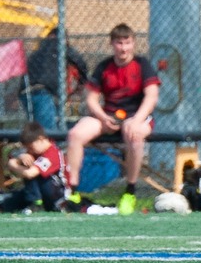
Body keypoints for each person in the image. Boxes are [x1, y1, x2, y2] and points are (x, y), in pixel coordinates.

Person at [65, 23, 159, 214]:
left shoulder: (143, 65)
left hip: (137, 117)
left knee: (133, 134)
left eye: (127, 43)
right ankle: (71, 191)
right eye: (119, 43)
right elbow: (90, 98)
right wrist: (103, 117)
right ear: (112, 44)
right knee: (75, 134)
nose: (123, 48)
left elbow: (151, 96)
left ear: (133, 44)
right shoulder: (104, 67)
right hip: (108, 115)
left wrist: (137, 119)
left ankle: (130, 192)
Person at [4, 122, 67, 211]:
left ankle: (35, 202)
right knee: (10, 204)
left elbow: (30, 174)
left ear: (40, 139)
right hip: (40, 190)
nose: (30, 151)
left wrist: (12, 164)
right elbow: (17, 159)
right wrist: (20, 157)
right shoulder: (35, 152)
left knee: (31, 172)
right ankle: (31, 202)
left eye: (31, 147)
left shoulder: (52, 153)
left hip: (56, 192)